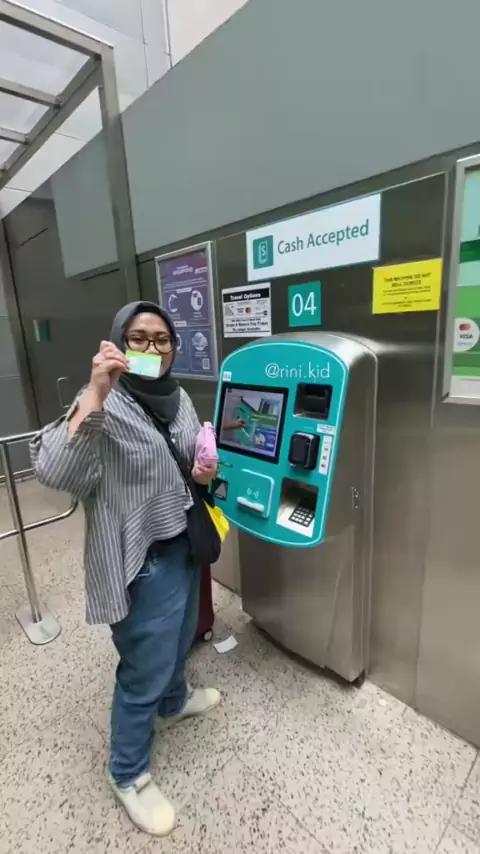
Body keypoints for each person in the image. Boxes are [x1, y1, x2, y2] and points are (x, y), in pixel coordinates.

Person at [30, 301, 221, 838]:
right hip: (141, 560)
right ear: (118, 343)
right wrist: (95, 391)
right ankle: (128, 773)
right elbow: (52, 469)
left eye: (162, 339)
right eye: (139, 338)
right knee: (143, 670)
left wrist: (202, 471)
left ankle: (175, 701)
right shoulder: (105, 403)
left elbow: (185, 463)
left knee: (181, 639)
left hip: (184, 543)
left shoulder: (177, 397)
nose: (152, 348)